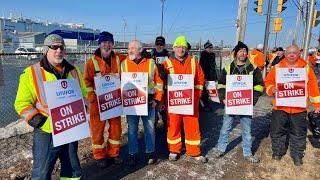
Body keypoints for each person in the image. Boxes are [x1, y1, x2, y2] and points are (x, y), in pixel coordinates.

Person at [14, 34, 87, 179]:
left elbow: (84, 95)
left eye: (61, 47)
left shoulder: (74, 71)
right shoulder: (31, 73)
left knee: (72, 170)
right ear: (45, 50)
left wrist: (82, 110)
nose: (59, 50)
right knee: (41, 173)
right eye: (54, 47)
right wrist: (41, 122)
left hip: (70, 129)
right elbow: (21, 104)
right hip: (46, 132)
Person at [265, 44, 320, 166]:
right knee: (277, 131)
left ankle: (297, 155)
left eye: (294, 53)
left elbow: (313, 87)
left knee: (299, 133)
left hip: (298, 109)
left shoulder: (305, 68)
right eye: (289, 52)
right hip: (280, 107)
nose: (291, 55)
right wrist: (271, 89)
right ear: (285, 54)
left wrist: (317, 104)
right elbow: (268, 82)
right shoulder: (277, 67)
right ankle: (278, 152)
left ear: (299, 54)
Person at [216, 41, 264, 163]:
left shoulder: (253, 68)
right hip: (230, 104)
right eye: (240, 51)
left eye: (244, 51)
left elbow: (259, 85)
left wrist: (252, 100)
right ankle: (221, 149)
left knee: (247, 130)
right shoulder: (228, 68)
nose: (243, 53)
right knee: (225, 128)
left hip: (245, 105)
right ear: (236, 53)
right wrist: (223, 98)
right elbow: (221, 84)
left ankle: (247, 153)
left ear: (247, 53)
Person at [84, 31, 126, 168]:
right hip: (97, 103)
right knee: (97, 130)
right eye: (104, 42)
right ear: (100, 44)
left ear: (113, 45)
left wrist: (144, 55)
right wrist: (91, 96)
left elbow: (132, 59)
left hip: (114, 101)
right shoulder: (91, 62)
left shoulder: (119, 58)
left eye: (109, 42)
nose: (107, 45)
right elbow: (86, 81)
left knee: (116, 128)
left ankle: (114, 152)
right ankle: (100, 155)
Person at [163, 35, 208, 163]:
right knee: (173, 126)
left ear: (186, 49)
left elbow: (200, 80)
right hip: (174, 102)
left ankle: (193, 151)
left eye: (183, 47)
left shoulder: (194, 62)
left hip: (190, 102)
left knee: (192, 126)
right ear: (174, 48)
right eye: (178, 47)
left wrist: (197, 95)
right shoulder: (167, 63)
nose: (181, 49)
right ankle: (174, 150)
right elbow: (162, 82)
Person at [121, 40, 163, 166]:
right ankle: (132, 154)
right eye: (129, 48)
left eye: (133, 48)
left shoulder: (151, 63)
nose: (130, 50)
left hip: (149, 104)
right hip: (132, 105)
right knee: (132, 130)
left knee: (149, 129)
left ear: (140, 49)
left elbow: (159, 83)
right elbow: (120, 83)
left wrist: (156, 99)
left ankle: (151, 152)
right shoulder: (124, 64)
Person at [151, 36, 169, 129]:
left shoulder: (168, 55)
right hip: (154, 84)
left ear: (164, 45)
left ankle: (167, 127)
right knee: (154, 107)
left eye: (161, 44)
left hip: (165, 84)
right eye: (157, 44)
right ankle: (153, 127)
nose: (159, 46)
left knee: (163, 107)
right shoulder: (151, 54)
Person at [200, 40, 217, 111]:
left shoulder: (212, 55)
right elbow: (202, 67)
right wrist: (204, 77)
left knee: (211, 90)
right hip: (206, 76)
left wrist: (215, 76)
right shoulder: (204, 56)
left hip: (211, 76)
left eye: (211, 47)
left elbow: (213, 67)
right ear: (206, 48)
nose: (211, 49)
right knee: (205, 92)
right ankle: (205, 105)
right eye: (209, 48)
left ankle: (212, 103)